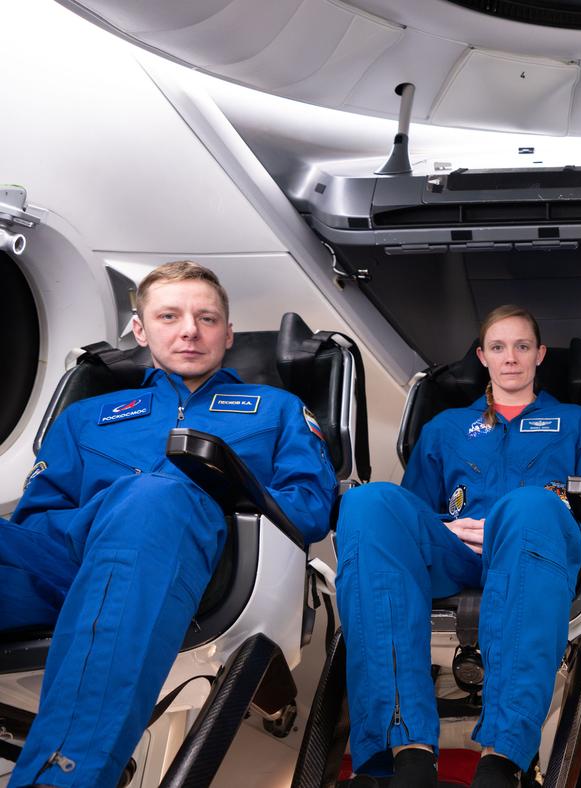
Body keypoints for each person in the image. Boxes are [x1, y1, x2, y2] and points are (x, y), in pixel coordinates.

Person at [0, 261, 337, 788]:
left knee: (154, 497)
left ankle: (63, 777)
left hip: (207, 565)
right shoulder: (88, 416)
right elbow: (36, 518)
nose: (189, 330)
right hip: (70, 561)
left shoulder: (276, 409)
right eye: (169, 315)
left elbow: (311, 504)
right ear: (140, 329)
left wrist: (220, 490)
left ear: (228, 334)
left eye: (206, 318)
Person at [335, 305, 581, 788]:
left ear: (539, 355)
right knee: (368, 504)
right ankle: (407, 752)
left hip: (533, 553)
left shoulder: (574, 422)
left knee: (529, 506)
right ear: (482, 357)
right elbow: (409, 516)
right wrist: (446, 529)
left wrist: (516, 521)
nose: (510, 357)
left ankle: (501, 759)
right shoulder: (445, 428)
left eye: (521, 346)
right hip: (454, 551)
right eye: (498, 347)